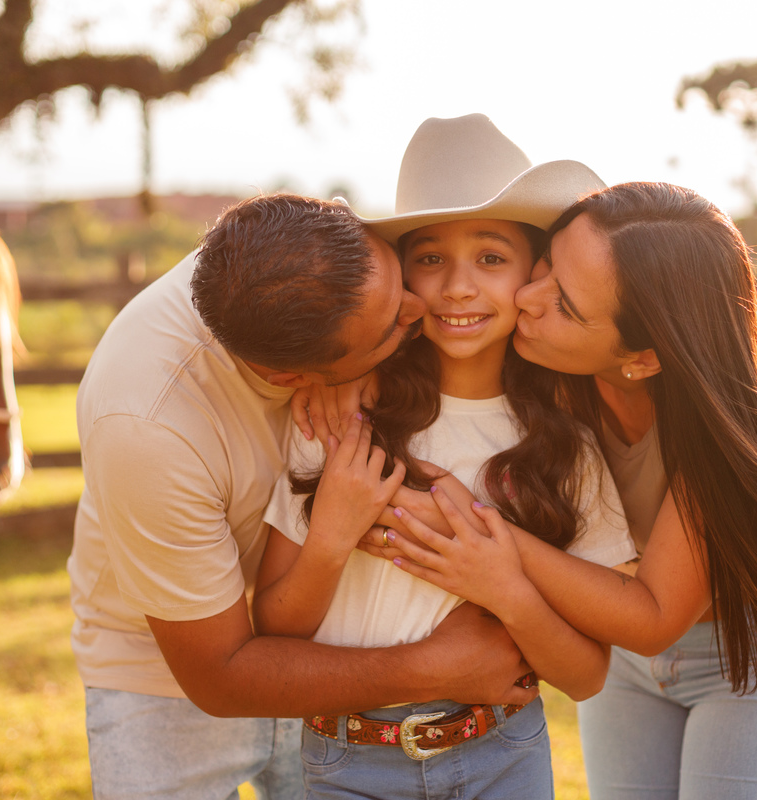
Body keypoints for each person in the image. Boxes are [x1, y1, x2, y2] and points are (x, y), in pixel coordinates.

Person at [382, 182, 757, 799]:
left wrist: (488, 540)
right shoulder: (547, 359)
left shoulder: (751, 421)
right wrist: (331, 382)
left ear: (643, 357)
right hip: (624, 658)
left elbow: (654, 615)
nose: (526, 297)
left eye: (566, 303)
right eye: (548, 265)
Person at [67, 193, 539, 799]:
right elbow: (219, 676)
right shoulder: (148, 425)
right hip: (168, 674)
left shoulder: (308, 246)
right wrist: (437, 667)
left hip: (331, 644)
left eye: (398, 290)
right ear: (293, 377)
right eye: (394, 324)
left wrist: (372, 363)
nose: (421, 312)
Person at [254, 114, 633, 800]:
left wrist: (505, 588)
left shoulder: (567, 445)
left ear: (533, 272)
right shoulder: (338, 419)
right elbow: (275, 629)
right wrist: (331, 538)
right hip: (349, 760)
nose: (459, 287)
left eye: (490, 258)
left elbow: (586, 677)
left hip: (504, 749)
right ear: (400, 274)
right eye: (430, 258)